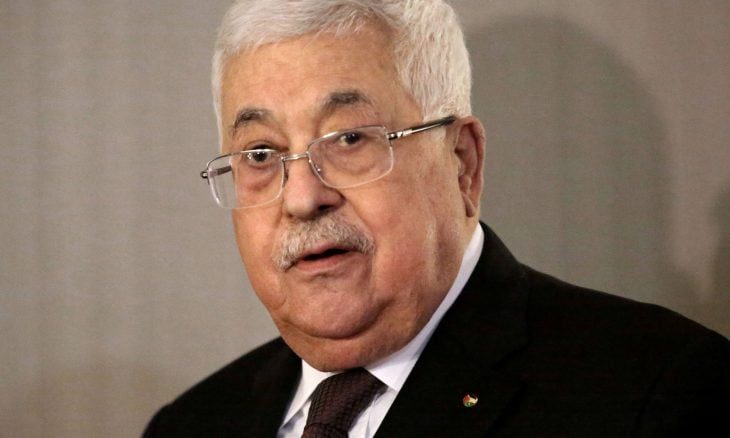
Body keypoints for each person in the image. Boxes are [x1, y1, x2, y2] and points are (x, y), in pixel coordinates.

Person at [144, 1, 730, 436]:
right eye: (260, 154)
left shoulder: (655, 393)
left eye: (349, 139)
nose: (301, 198)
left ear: (461, 162)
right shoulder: (191, 425)